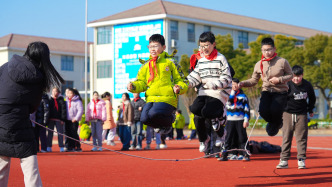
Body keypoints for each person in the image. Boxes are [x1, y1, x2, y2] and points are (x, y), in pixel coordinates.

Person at [0, 41, 64, 187]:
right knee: (29, 163)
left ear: (27, 50)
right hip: (19, 121)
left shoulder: (5, 66)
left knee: (2, 160)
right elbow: (33, 106)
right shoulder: (38, 76)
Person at [127, 34, 188, 134]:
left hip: (167, 99)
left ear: (163, 47)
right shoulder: (145, 65)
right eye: (150, 47)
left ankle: (170, 120)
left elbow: (182, 80)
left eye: (155, 46)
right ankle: (163, 126)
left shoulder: (171, 62)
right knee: (144, 119)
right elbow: (141, 83)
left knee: (154, 113)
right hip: (151, 98)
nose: (152, 49)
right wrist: (133, 86)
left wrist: (179, 87)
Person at [238, 37, 293, 136]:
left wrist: (279, 79)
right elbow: (254, 80)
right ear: (261, 50)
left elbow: (291, 75)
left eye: (269, 50)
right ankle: (275, 123)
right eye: (264, 50)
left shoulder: (282, 61)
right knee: (262, 111)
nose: (266, 52)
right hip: (266, 90)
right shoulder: (258, 64)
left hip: (280, 91)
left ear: (274, 49)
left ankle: (277, 122)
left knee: (275, 110)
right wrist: (243, 83)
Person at [187, 31, 232, 152]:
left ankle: (221, 127)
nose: (204, 49)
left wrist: (215, 84)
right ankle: (204, 139)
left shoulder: (221, 58)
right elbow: (195, 76)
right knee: (195, 111)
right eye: (201, 46)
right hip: (205, 91)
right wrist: (185, 84)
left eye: (206, 45)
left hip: (219, 93)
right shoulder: (201, 60)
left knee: (208, 112)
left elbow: (227, 78)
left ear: (213, 44)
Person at [276, 65, 316, 169]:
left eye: (298, 76)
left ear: (302, 75)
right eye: (294, 76)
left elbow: (312, 98)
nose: (296, 79)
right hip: (288, 113)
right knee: (286, 137)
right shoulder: (287, 84)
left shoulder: (307, 85)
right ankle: (284, 160)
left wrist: (310, 109)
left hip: (302, 114)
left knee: (301, 137)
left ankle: (301, 159)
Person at [219, 78, 251, 161]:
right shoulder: (227, 94)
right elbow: (229, 102)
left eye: (236, 84)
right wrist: (232, 91)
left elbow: (247, 109)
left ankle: (245, 154)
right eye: (232, 84)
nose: (234, 86)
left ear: (239, 85)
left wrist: (246, 120)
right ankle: (225, 154)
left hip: (240, 120)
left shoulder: (243, 96)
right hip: (230, 120)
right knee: (228, 137)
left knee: (242, 138)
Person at [47, 87, 67, 152]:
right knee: (50, 133)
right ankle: (49, 146)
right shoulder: (49, 100)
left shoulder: (61, 100)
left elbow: (63, 110)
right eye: (53, 91)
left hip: (59, 119)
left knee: (60, 133)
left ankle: (61, 146)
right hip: (50, 119)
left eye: (56, 91)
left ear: (58, 93)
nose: (54, 93)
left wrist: (62, 119)